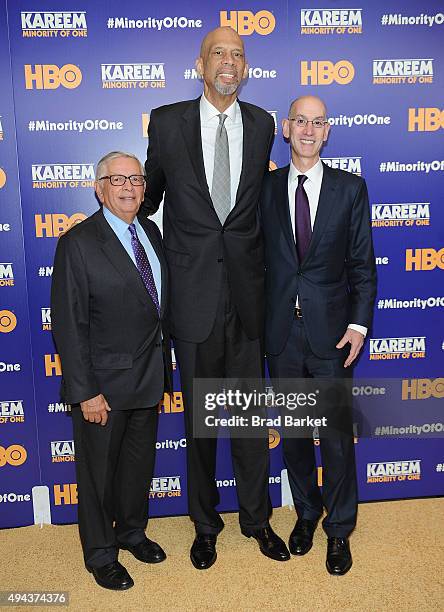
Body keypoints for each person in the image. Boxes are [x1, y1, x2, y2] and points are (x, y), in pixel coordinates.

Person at [141, 26, 289, 569]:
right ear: (200, 65)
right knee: (200, 424)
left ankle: (257, 520)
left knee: (250, 421)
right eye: (219, 54)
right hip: (193, 297)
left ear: (246, 67)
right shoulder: (167, 121)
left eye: (238, 55)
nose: (229, 63)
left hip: (249, 297)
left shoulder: (262, 124)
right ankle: (205, 525)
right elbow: (150, 196)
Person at [261, 96, 376, 575]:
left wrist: (358, 324)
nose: (308, 130)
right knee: (293, 437)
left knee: (334, 439)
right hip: (282, 336)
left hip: (332, 338)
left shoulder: (350, 189)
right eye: (300, 121)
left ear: (327, 132)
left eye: (318, 122)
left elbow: (362, 267)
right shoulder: (264, 189)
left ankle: (340, 529)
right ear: (285, 129)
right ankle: (307, 512)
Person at [51, 151, 171, 590]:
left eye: (136, 179)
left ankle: (132, 533)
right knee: (99, 476)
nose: (128, 187)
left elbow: (156, 309)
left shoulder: (152, 233)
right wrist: (85, 391)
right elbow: (69, 322)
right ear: (99, 188)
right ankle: (101, 553)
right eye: (117, 179)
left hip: (148, 378)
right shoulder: (78, 243)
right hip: (103, 386)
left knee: (138, 469)